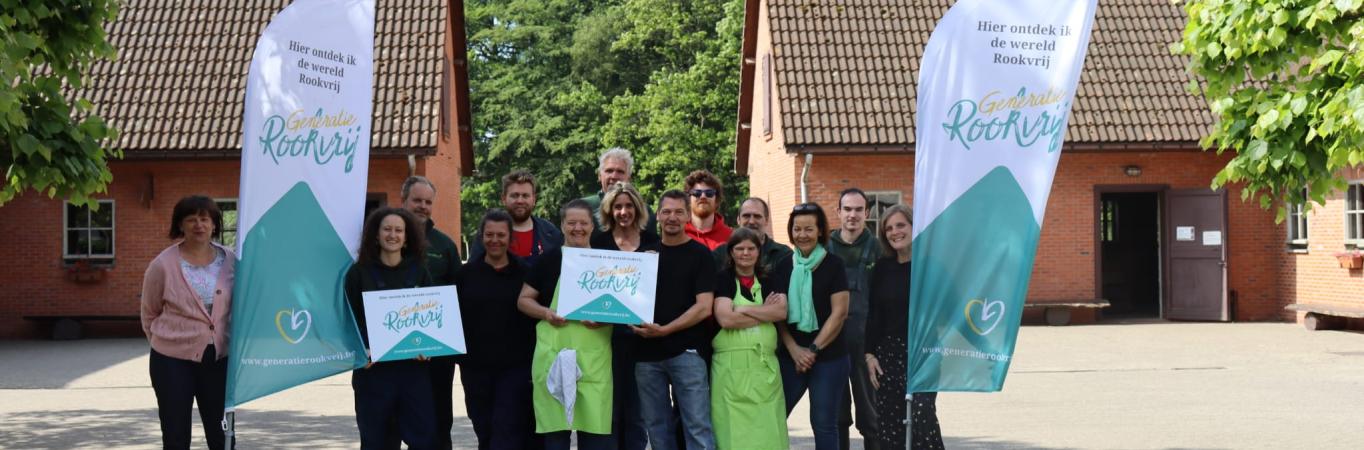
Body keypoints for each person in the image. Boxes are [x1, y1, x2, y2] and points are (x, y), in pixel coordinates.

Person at [518, 199, 615, 450]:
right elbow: (524, 300)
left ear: (592, 226)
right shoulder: (548, 260)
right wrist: (547, 313)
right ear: (562, 225)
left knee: (595, 437)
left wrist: (604, 318)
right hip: (554, 356)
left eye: (583, 223)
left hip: (594, 360)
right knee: (556, 437)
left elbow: (622, 309)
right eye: (571, 223)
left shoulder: (607, 262)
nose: (577, 228)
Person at [140, 195, 235, 450]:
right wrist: (168, 343)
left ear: (214, 224)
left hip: (219, 359)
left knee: (223, 434)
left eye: (205, 219)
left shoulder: (232, 262)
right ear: (180, 225)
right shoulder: (162, 265)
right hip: (171, 360)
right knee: (175, 435)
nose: (199, 225)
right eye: (191, 219)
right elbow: (149, 313)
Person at [344, 207, 436, 450]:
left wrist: (429, 347)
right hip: (373, 372)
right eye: (387, 229)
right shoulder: (358, 273)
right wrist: (358, 352)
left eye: (398, 230)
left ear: (406, 237)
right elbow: (347, 320)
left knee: (423, 440)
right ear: (376, 235)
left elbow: (431, 321)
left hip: (412, 371)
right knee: (376, 442)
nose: (392, 235)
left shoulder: (419, 272)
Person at [631, 190, 718, 450]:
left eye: (679, 212)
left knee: (698, 426)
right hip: (646, 354)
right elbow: (628, 303)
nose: (672, 217)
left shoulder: (700, 255)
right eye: (667, 211)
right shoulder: (643, 256)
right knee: (657, 428)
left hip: (687, 352)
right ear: (658, 215)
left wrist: (666, 330)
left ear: (688, 216)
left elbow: (704, 307)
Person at [864, 205, 943, 450]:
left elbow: (951, 306)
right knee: (891, 425)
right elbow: (874, 315)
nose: (894, 232)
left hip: (923, 351)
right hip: (888, 354)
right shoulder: (882, 268)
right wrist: (869, 355)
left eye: (900, 225)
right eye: (888, 228)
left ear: (913, 227)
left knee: (922, 416)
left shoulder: (930, 267)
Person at [458, 209, 538, 450]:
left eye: (501, 235)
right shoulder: (465, 275)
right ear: (481, 237)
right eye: (489, 234)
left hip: (515, 368)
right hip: (475, 368)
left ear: (510, 237)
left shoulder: (525, 273)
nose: (495, 240)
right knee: (483, 428)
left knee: (506, 427)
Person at [774, 202, 851, 450]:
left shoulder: (834, 265)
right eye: (797, 229)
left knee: (824, 424)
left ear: (820, 231)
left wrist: (812, 350)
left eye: (809, 229)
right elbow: (778, 314)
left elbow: (839, 313)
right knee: (773, 416)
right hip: (791, 355)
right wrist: (794, 350)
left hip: (829, 357)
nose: (802, 235)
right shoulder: (784, 266)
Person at [710, 228, 790, 450]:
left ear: (759, 251)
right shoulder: (723, 279)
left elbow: (780, 312)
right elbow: (726, 319)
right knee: (731, 433)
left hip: (765, 370)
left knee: (769, 432)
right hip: (729, 371)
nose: (745, 253)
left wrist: (742, 308)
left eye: (751, 248)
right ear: (731, 252)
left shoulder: (770, 279)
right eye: (740, 248)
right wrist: (764, 311)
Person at [399, 175, 463, 449]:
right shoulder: (386, 238)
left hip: (436, 349)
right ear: (403, 200)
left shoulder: (444, 245)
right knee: (396, 420)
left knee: (438, 419)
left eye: (428, 202)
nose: (423, 207)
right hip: (394, 346)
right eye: (417, 200)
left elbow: (459, 294)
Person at [588, 181, 653, 450]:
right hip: (606, 339)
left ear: (637, 208)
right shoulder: (598, 242)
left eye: (628, 206)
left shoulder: (652, 243)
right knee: (610, 409)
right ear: (609, 210)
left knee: (637, 412)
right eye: (617, 207)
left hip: (642, 340)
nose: (623, 212)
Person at [826, 188, 882, 450]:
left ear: (867, 213)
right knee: (837, 417)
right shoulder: (824, 248)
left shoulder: (879, 248)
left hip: (866, 346)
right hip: (832, 345)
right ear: (838, 212)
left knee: (872, 417)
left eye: (859, 209)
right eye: (847, 209)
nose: (853, 215)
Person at [468, 170, 564, 268]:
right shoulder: (488, 234)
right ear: (504, 199)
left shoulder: (550, 234)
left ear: (534, 199)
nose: (520, 201)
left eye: (525, 196)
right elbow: (473, 271)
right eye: (514, 195)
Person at [581, 147, 656, 232]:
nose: (614, 176)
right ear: (599, 175)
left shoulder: (644, 211)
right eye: (609, 171)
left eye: (620, 172)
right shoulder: (584, 207)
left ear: (629, 177)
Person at [712, 197, 793, 275]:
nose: (751, 221)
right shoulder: (720, 254)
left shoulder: (783, 255)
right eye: (746, 216)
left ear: (766, 220)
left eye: (757, 216)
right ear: (738, 220)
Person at [683, 170, 732, 250]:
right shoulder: (678, 234)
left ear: (717, 200)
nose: (703, 196)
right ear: (688, 199)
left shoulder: (731, 237)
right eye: (697, 193)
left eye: (709, 193)